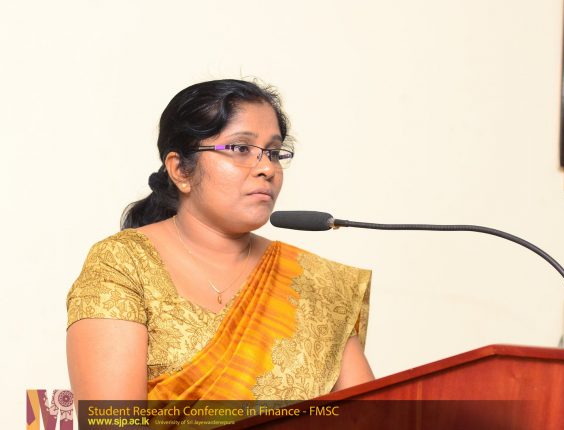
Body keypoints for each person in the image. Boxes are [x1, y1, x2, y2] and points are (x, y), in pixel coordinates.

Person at [66, 79, 374, 402]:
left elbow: (372, 418)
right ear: (180, 170)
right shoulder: (123, 264)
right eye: (241, 149)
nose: (267, 168)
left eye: (273, 152)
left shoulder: (314, 281)